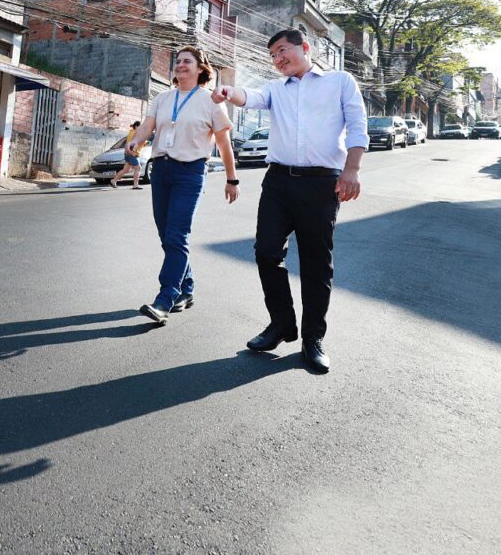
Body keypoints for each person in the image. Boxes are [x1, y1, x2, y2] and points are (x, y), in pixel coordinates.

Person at [211, 30, 367, 375]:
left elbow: (357, 125)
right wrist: (227, 91)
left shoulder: (339, 81)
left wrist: (352, 170)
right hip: (279, 181)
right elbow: (247, 95)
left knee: (315, 264)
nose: (278, 59)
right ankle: (281, 324)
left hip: (322, 184)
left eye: (282, 51)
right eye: (273, 55)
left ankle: (313, 339)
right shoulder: (274, 89)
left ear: (305, 48)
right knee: (266, 251)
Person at [125, 46, 238, 325]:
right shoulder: (163, 98)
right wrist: (136, 141)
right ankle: (187, 289)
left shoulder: (210, 100)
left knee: (177, 235)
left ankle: (165, 299)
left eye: (187, 61)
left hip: (190, 173)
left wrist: (231, 178)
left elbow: (223, 143)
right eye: (178, 62)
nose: (180, 66)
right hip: (161, 170)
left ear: (201, 68)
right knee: (168, 237)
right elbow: (148, 127)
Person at [111, 121, 147, 189]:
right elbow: (133, 143)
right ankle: (135, 185)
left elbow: (138, 142)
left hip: (128, 153)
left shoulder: (132, 132)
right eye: (140, 126)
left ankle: (113, 180)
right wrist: (132, 152)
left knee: (126, 170)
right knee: (138, 168)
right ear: (136, 126)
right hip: (132, 154)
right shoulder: (134, 133)